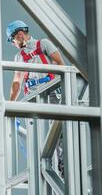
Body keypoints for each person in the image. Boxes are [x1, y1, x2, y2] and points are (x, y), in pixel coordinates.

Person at [6, 20, 65, 178]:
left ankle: (62, 166)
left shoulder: (43, 44)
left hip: (51, 92)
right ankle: (40, 169)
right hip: (33, 97)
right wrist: (10, 105)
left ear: (19, 34)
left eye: (13, 40)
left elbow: (60, 63)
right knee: (36, 135)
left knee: (57, 132)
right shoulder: (19, 57)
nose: (13, 44)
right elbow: (17, 81)